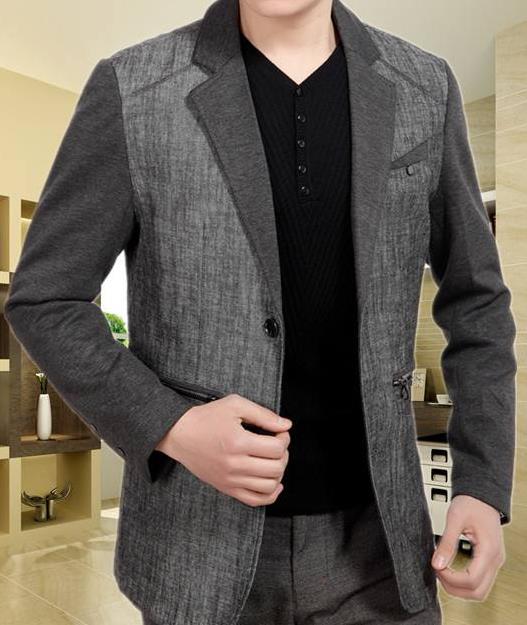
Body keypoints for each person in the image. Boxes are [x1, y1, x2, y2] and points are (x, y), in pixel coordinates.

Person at [4, 1, 516, 624]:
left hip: (381, 552)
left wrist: (481, 485)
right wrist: (173, 426)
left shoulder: (425, 88)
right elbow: (46, 299)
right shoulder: (132, 88)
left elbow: (476, 299)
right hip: (196, 553)